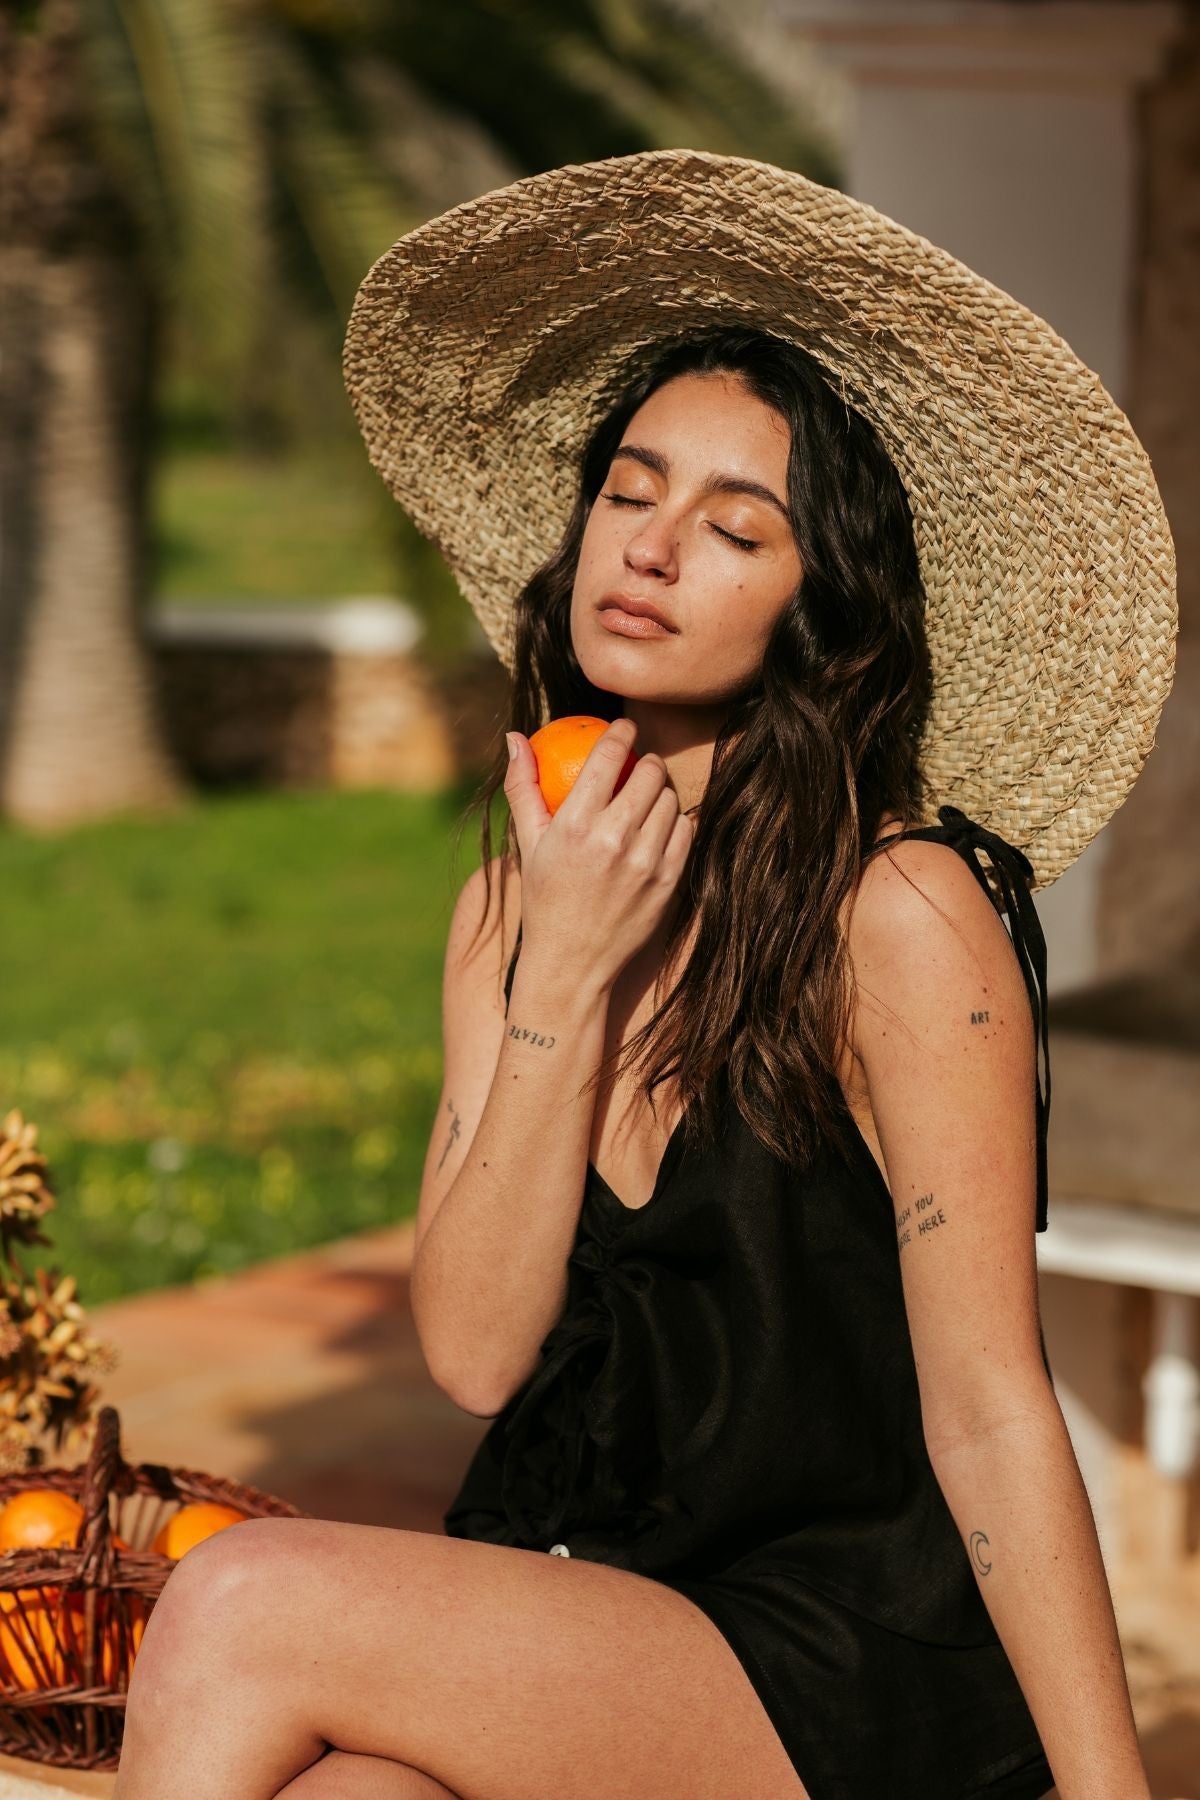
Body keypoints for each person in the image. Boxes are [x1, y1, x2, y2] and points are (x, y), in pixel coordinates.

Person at [114, 150, 1176, 1800]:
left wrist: (1111, 1794)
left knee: (242, 1601)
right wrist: (572, 966)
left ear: (818, 605)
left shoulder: (899, 915)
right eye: (631, 488)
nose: (655, 548)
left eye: (734, 527)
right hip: (604, 1608)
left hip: (848, 1651)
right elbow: (474, 1357)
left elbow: (989, 1404)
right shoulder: (508, 914)